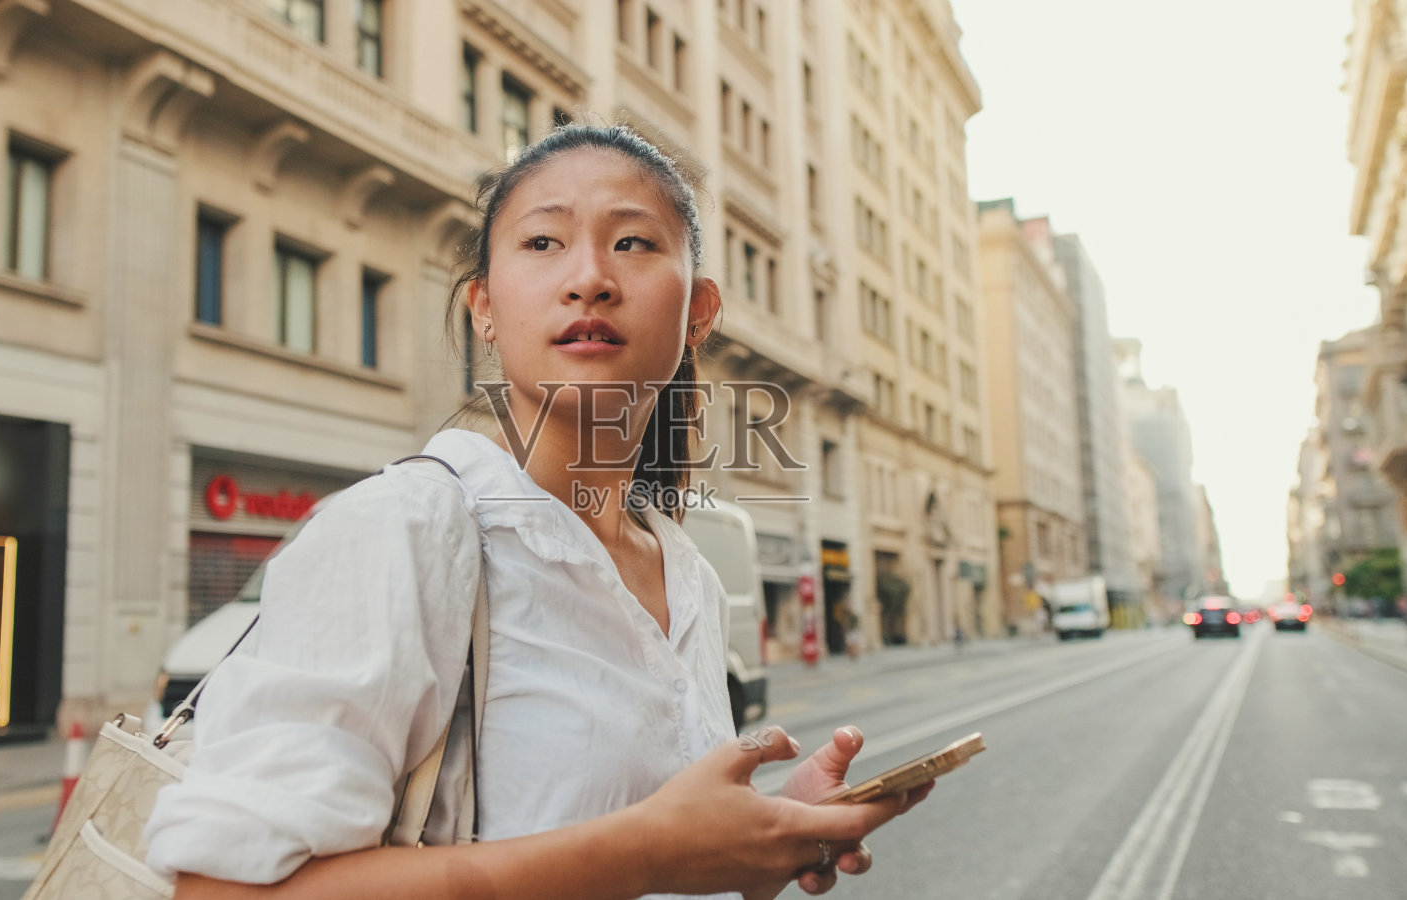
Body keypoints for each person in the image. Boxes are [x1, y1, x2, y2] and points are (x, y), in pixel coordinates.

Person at [144, 125, 933, 900]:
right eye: (544, 243)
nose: (589, 277)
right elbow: (222, 889)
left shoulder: (680, 565)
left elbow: (638, 833)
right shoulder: (405, 528)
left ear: (698, 312)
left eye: (633, 243)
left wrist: (758, 837)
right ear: (484, 308)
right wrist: (648, 853)